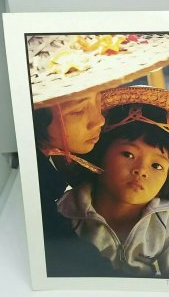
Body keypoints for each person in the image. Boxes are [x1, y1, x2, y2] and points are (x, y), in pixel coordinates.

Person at [57, 86, 169, 278]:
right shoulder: (69, 209)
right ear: (99, 156)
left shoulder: (164, 219)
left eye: (157, 166)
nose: (141, 170)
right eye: (128, 154)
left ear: (168, 177)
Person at [33, 91, 123, 277]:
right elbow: (63, 253)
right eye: (78, 111)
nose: (98, 121)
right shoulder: (36, 185)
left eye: (98, 101)